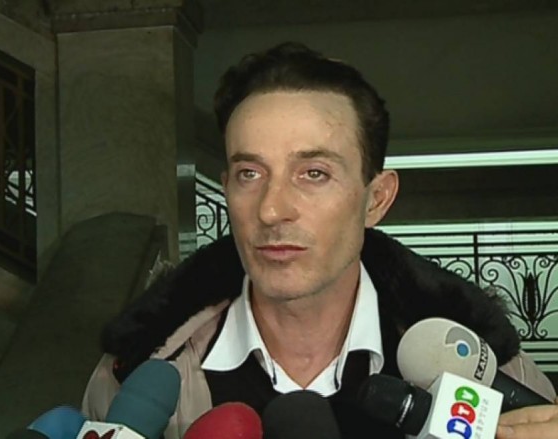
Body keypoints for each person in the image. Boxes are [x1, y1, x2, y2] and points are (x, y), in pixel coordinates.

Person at [81, 42, 556, 438]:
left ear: (376, 199)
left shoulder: (494, 375)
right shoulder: (131, 377)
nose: (271, 210)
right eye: (249, 173)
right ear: (226, 189)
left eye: (313, 173)